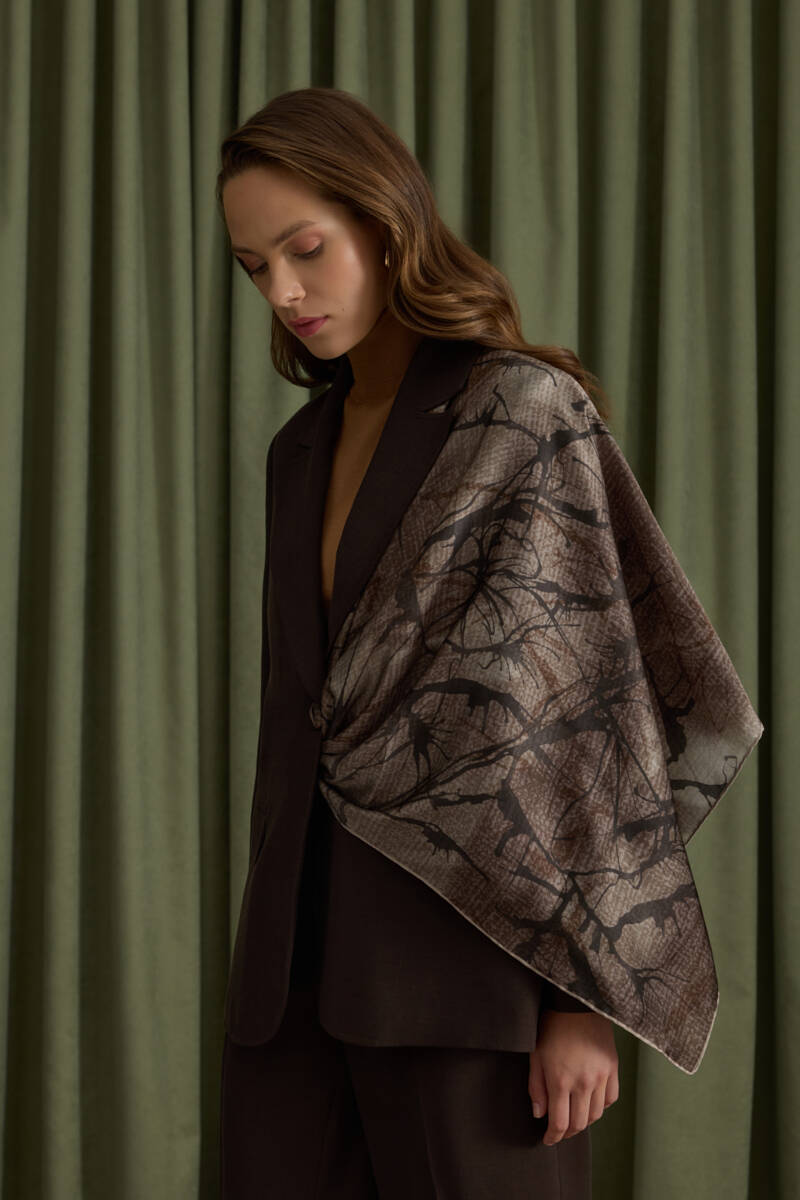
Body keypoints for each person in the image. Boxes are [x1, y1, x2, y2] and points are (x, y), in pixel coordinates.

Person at [215, 86, 620, 1200]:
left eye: (305, 249)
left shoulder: (519, 411)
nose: (283, 292)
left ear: (385, 224)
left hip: (471, 977)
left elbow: (585, 714)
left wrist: (578, 1001)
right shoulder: (299, 450)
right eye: (254, 267)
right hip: (292, 980)